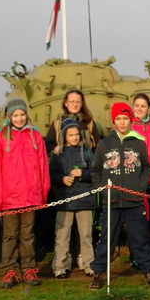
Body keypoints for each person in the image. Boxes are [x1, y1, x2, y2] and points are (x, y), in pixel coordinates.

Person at [88, 103, 150, 289]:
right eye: (118, 119)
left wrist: (141, 186)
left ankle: (149, 273)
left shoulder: (139, 143)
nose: (122, 122)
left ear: (130, 120)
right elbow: (96, 170)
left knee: (140, 238)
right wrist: (102, 188)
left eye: (125, 119)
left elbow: (146, 168)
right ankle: (98, 273)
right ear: (114, 121)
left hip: (134, 201)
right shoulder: (104, 144)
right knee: (107, 239)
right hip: (111, 201)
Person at [0, 98, 50, 289]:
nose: (20, 118)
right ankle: (9, 270)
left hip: (30, 194)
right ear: (9, 116)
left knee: (28, 235)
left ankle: (29, 268)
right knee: (9, 236)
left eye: (22, 114)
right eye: (16, 115)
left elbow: (43, 166)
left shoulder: (35, 136)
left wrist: (43, 192)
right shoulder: (0, 137)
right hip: (9, 197)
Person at [49, 118, 97, 278]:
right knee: (62, 236)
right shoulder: (58, 154)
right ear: (64, 136)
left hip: (85, 199)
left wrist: (83, 174)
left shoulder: (88, 152)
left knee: (86, 235)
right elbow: (51, 174)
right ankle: (60, 267)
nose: (74, 138)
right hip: (65, 200)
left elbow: (96, 173)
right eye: (70, 135)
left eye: (76, 134)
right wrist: (61, 179)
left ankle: (89, 264)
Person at [44, 89, 102, 154]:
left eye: (78, 102)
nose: (75, 105)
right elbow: (48, 145)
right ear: (66, 103)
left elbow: (97, 146)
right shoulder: (57, 124)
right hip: (64, 159)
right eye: (72, 101)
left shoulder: (89, 123)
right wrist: (55, 149)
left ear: (82, 104)